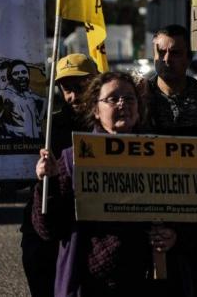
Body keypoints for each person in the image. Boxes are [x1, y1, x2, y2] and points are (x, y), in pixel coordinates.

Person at [33, 71, 176, 296]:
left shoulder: (160, 156)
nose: (123, 104)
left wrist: (171, 234)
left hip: (143, 283)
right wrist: (46, 182)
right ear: (95, 110)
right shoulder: (72, 160)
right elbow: (47, 229)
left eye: (130, 98)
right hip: (86, 285)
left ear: (139, 108)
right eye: (112, 99)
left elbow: (180, 213)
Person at [144, 24, 197, 297]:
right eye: (161, 52)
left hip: (195, 230)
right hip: (146, 228)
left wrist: (183, 229)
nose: (166, 59)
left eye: (175, 52)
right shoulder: (137, 99)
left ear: (189, 57)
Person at [21, 53, 97, 297]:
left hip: (88, 232)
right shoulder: (47, 128)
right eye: (66, 88)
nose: (73, 95)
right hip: (46, 229)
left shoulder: (109, 125)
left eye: (80, 86)